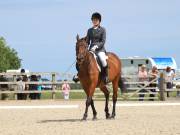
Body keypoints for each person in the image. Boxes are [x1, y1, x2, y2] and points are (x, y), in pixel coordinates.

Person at [73, 12, 108, 84]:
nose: (94, 21)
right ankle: (78, 75)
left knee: (103, 60)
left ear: (99, 21)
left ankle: (105, 76)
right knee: (81, 60)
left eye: (96, 20)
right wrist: (82, 44)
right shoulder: (89, 30)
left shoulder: (103, 30)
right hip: (91, 49)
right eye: (93, 20)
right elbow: (88, 41)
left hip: (100, 49)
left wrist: (97, 46)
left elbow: (103, 41)